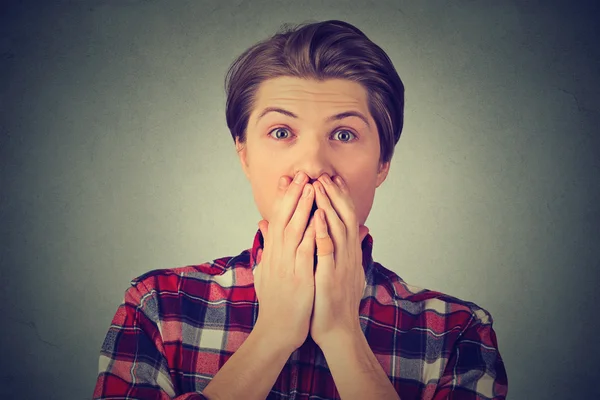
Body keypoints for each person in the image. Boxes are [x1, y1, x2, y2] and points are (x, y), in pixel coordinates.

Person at [93, 20, 508, 400]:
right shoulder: (157, 309)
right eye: (281, 132)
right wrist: (273, 334)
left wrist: (343, 334)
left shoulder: (457, 333)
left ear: (383, 164)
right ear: (245, 156)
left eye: (344, 134)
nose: (312, 165)